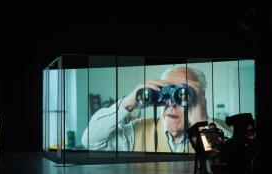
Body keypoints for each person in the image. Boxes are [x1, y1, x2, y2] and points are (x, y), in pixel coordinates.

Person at [82, 66, 233, 153]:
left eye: (182, 94)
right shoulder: (137, 131)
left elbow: (225, 163)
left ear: (199, 98)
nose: (172, 104)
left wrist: (202, 123)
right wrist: (128, 102)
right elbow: (90, 141)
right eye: (166, 91)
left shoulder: (220, 128)